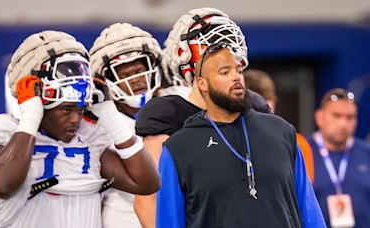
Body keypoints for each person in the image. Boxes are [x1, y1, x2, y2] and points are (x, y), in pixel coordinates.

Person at [0, 30, 160, 228]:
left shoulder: (88, 138)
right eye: (66, 109)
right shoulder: (2, 131)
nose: (75, 119)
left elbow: (147, 183)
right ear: (36, 99)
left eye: (80, 110)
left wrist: (111, 118)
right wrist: (30, 119)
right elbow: (2, 185)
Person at [157, 42, 325, 228]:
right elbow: (169, 222)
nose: (236, 77)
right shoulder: (179, 148)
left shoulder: (282, 132)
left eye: (238, 70)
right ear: (202, 84)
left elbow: (309, 210)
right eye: (224, 72)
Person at [134, 7, 271, 227]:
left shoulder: (254, 107)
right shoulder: (167, 114)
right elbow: (149, 199)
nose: (225, 51)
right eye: (214, 45)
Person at [89, 22, 170, 227]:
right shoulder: (98, 126)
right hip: (125, 217)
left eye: (139, 70)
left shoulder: (178, 102)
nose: (136, 80)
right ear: (105, 82)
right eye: (125, 76)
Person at [307, 88, 370, 228]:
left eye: (350, 117)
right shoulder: (302, 152)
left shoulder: (367, 154)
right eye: (336, 115)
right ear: (319, 117)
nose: (343, 124)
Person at [244, 68, 315, 183]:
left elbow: (302, 191)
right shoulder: (232, 141)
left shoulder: (297, 142)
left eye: (266, 101)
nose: (263, 107)